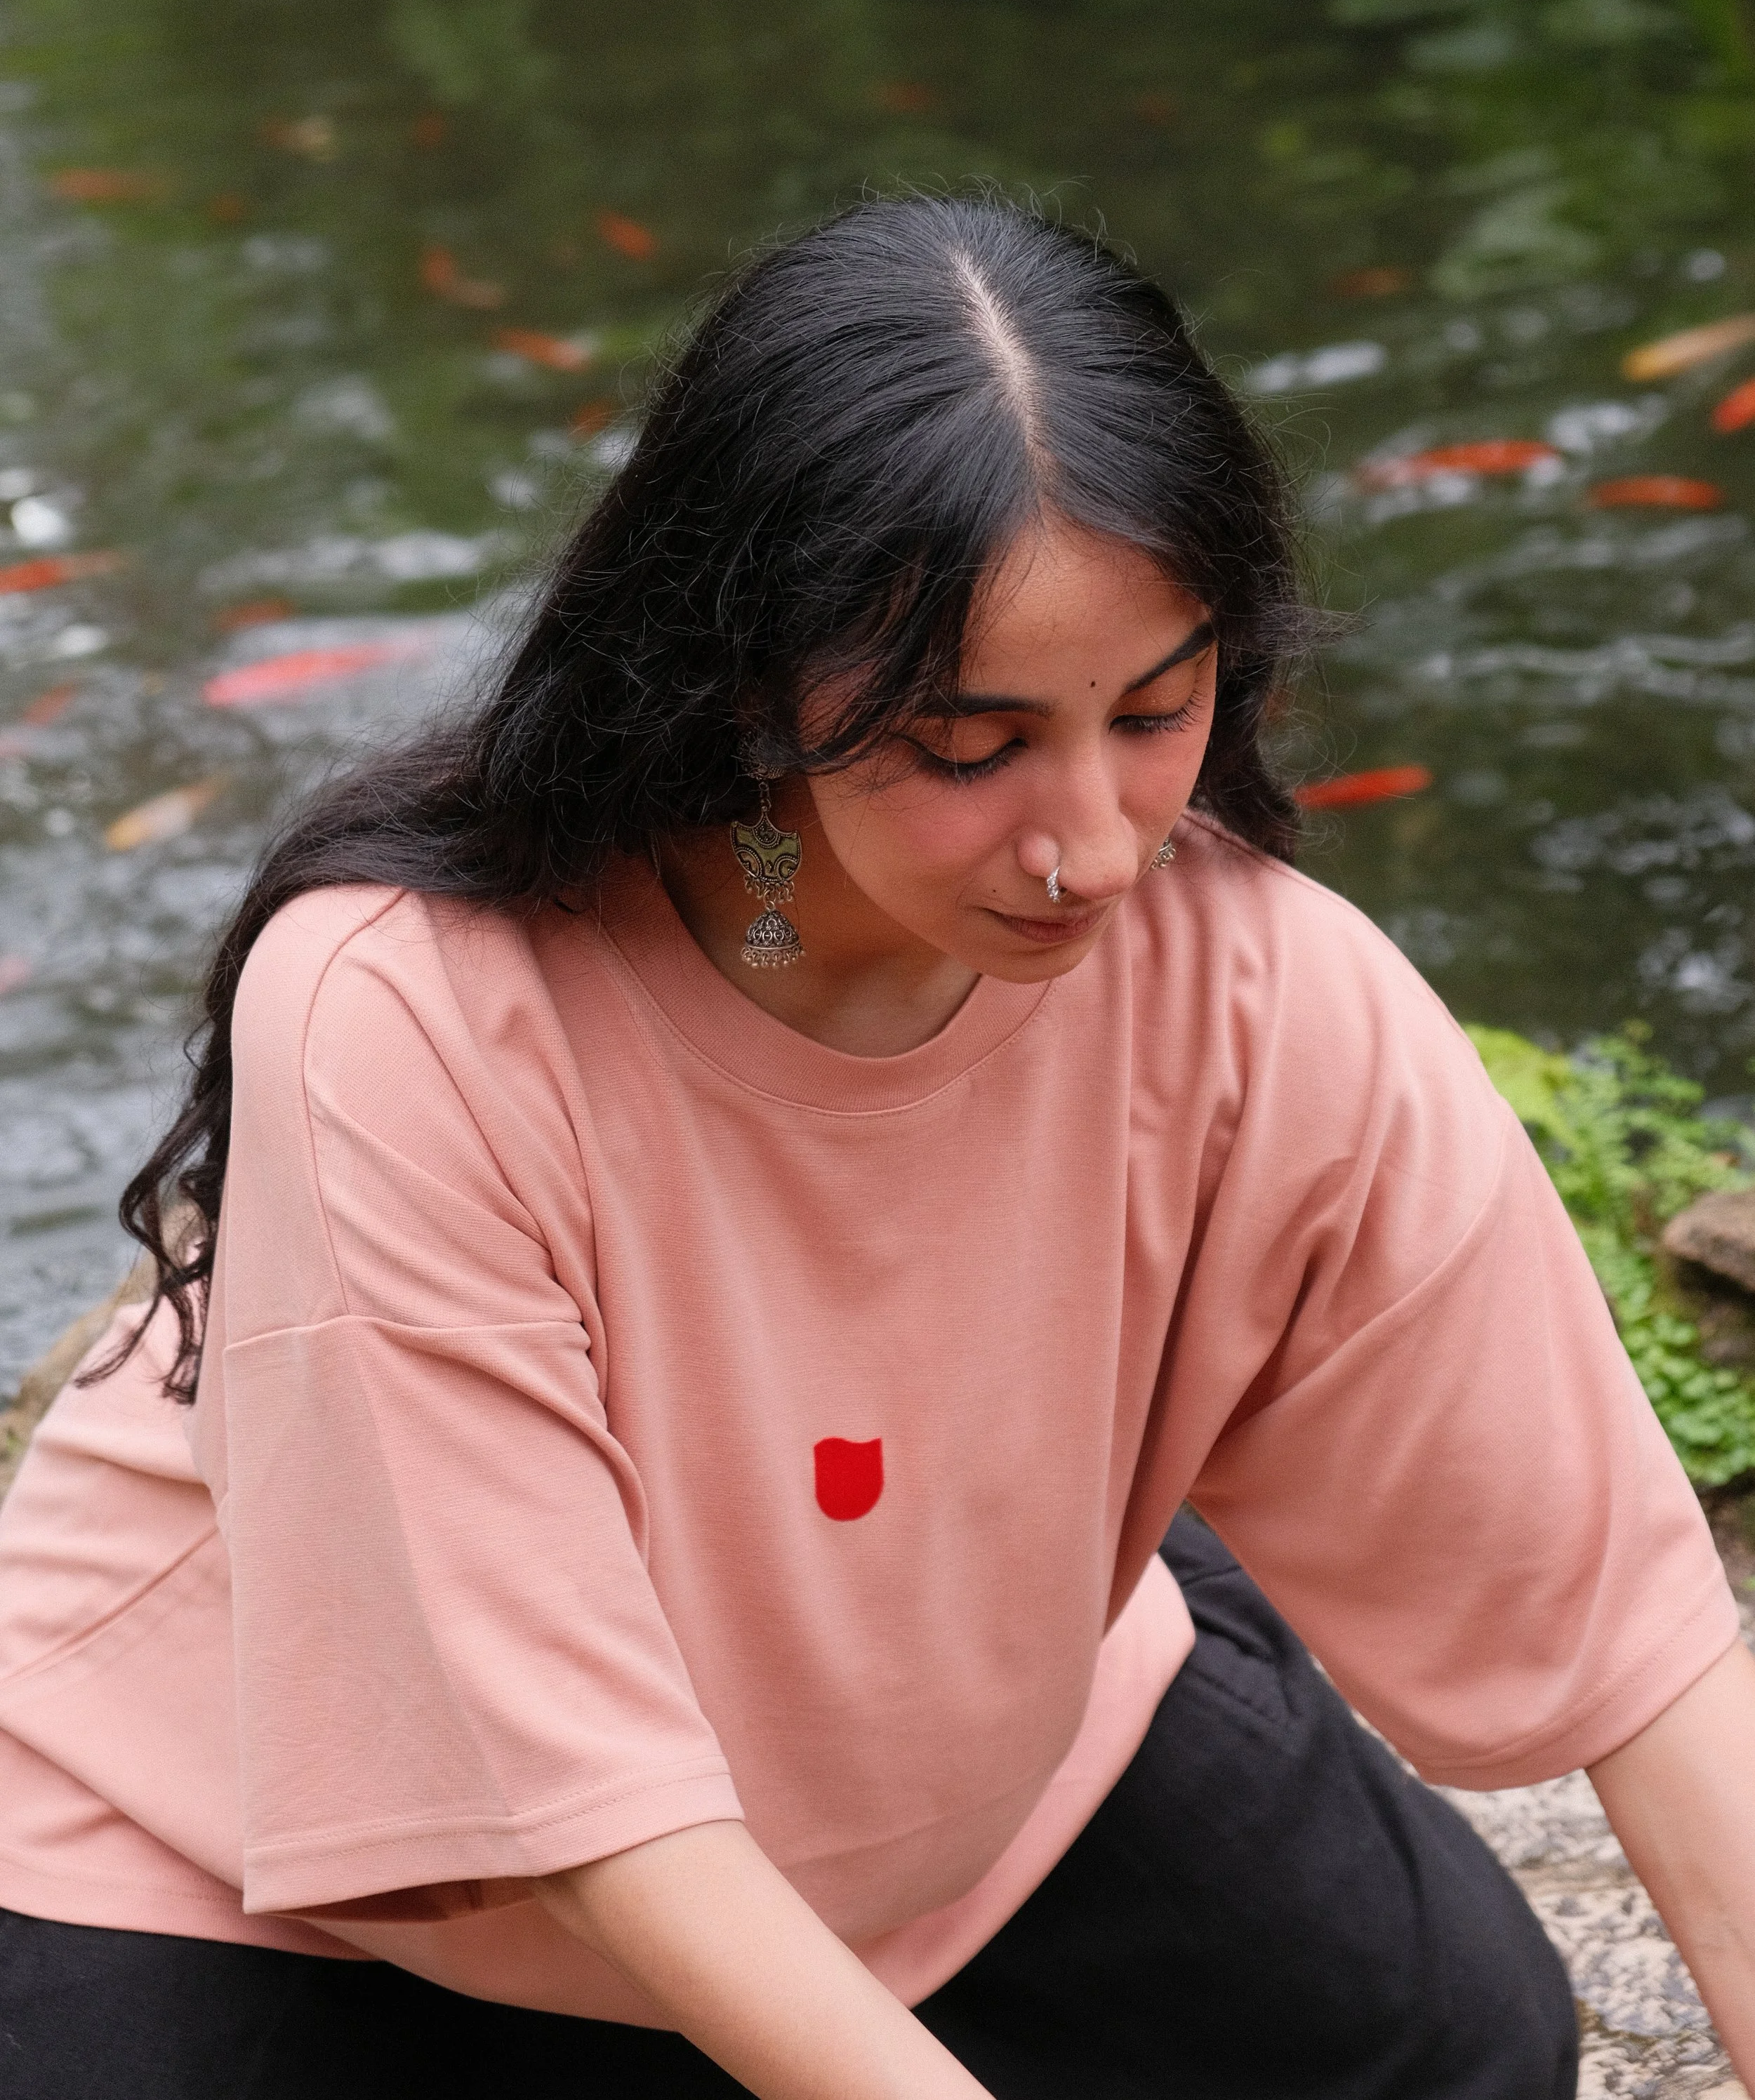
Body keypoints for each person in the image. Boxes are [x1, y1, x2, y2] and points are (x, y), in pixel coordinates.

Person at [0, 193, 1749, 2100]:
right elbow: (574, 1802)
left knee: (1460, 2046)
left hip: (954, 1789)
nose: (1091, 846)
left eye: (1153, 711)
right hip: (303, 1879)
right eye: (972, 748)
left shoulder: (1253, 986)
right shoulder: (410, 1015)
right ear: (753, 688)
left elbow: (1622, 1613)